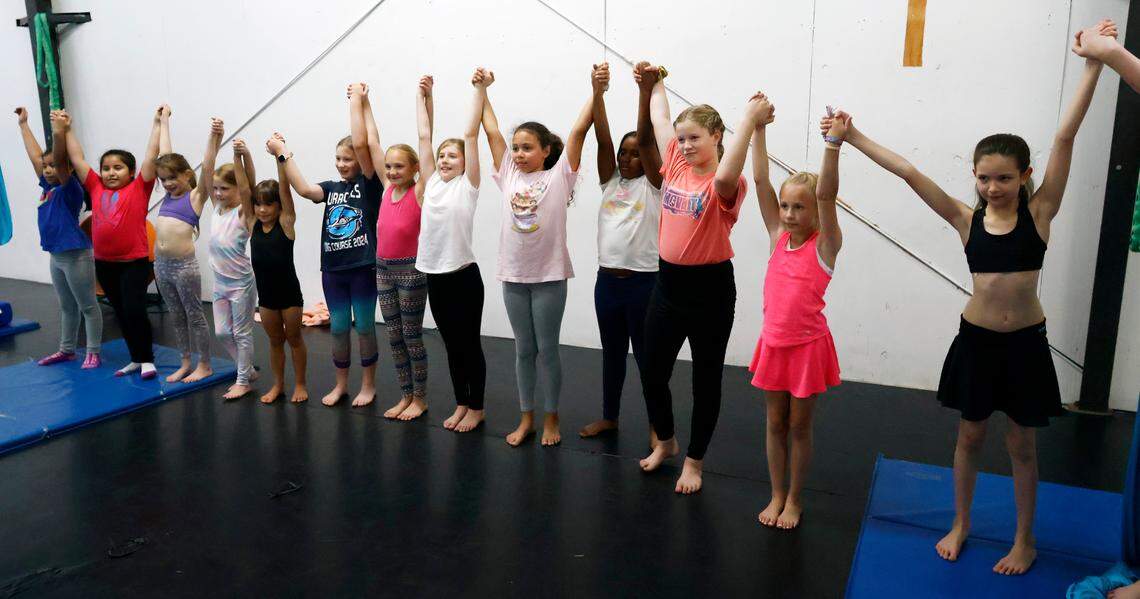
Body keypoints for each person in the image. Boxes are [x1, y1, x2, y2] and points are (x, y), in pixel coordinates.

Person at [839, 49, 1105, 574]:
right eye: (984, 177)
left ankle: (1023, 538)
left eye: (1004, 178)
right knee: (970, 435)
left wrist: (1094, 65)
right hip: (977, 342)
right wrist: (853, 136)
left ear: (1025, 175)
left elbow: (1065, 138)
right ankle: (960, 522)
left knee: (1021, 444)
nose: (991, 187)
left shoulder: (1040, 212)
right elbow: (909, 173)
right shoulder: (966, 220)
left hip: (1026, 344)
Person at [633, 62, 751, 495]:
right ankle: (666, 440)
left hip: (710, 292)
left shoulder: (729, 182)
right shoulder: (678, 165)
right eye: (682, 140)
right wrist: (658, 80)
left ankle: (695, 461)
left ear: (717, 137)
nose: (684, 145)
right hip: (668, 287)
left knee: (706, 379)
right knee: (652, 372)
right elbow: (660, 119)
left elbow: (723, 175)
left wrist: (750, 123)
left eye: (694, 138)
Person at [479, 67, 594, 446]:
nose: (519, 153)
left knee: (547, 349)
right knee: (522, 349)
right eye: (517, 148)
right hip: (513, 276)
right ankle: (526, 415)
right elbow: (492, 132)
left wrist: (596, 90)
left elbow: (578, 132)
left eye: (528, 147)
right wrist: (482, 90)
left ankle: (551, 417)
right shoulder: (508, 175)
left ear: (546, 151)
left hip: (548, 277)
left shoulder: (560, 176)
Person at [751, 100, 843, 530]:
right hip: (773, 343)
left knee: (800, 426)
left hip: (806, 347)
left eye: (798, 208)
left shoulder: (824, 247)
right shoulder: (775, 237)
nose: (789, 214)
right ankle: (774, 492)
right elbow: (760, 178)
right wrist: (757, 128)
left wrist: (832, 145)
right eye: (785, 207)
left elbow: (826, 194)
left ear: (814, 214)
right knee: (775, 422)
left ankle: (794, 498)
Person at [273, 85, 383, 408]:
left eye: (347, 159)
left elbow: (367, 142)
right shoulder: (332, 188)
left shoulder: (370, 185)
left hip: (362, 268)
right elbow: (305, 190)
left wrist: (359, 102)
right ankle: (341, 385)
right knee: (337, 329)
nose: (341, 164)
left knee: (363, 327)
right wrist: (283, 153)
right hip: (333, 271)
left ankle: (368, 384)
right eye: (338, 158)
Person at [577, 63, 663, 441]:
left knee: (647, 360)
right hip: (607, 283)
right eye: (624, 154)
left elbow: (645, 139)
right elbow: (603, 140)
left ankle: (656, 426)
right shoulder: (610, 182)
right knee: (612, 355)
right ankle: (609, 417)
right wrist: (598, 93)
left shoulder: (655, 187)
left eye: (634, 154)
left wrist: (645, 92)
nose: (627, 159)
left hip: (644, 284)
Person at [65, 105, 163, 379]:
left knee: (134, 309)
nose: (110, 173)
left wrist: (156, 123)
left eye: (118, 168)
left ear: (131, 172)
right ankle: (135, 358)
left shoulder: (139, 188)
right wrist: (68, 128)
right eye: (106, 168)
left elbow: (150, 156)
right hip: (105, 264)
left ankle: (147, 359)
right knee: (120, 311)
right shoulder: (95, 187)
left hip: (134, 262)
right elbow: (76, 158)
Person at [415, 71, 488, 433]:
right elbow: (424, 136)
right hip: (435, 276)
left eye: (452, 156)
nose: (444, 160)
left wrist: (479, 89)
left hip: (463, 276)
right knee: (451, 345)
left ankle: (477, 407)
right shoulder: (429, 184)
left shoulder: (468, 185)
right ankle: (462, 402)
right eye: (442, 156)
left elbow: (472, 135)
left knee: (469, 344)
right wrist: (424, 95)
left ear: (463, 162)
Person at [14, 106, 102, 368]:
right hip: (57, 255)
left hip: (76, 255)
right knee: (66, 306)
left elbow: (61, 161)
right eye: (46, 166)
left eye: (53, 166)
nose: (49, 170)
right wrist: (23, 125)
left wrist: (59, 131)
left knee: (87, 305)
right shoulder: (47, 187)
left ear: (66, 169)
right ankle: (67, 350)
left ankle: (94, 351)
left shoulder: (69, 188)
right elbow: (35, 157)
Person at [151, 114, 221, 383]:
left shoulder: (196, 196)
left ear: (187, 175)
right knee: (176, 316)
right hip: (162, 265)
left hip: (184, 267)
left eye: (172, 178)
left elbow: (209, 166)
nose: (168, 183)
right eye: (163, 179)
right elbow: (165, 154)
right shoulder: (168, 197)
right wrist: (165, 121)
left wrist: (213, 136)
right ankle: (184, 361)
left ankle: (204, 364)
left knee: (195, 316)